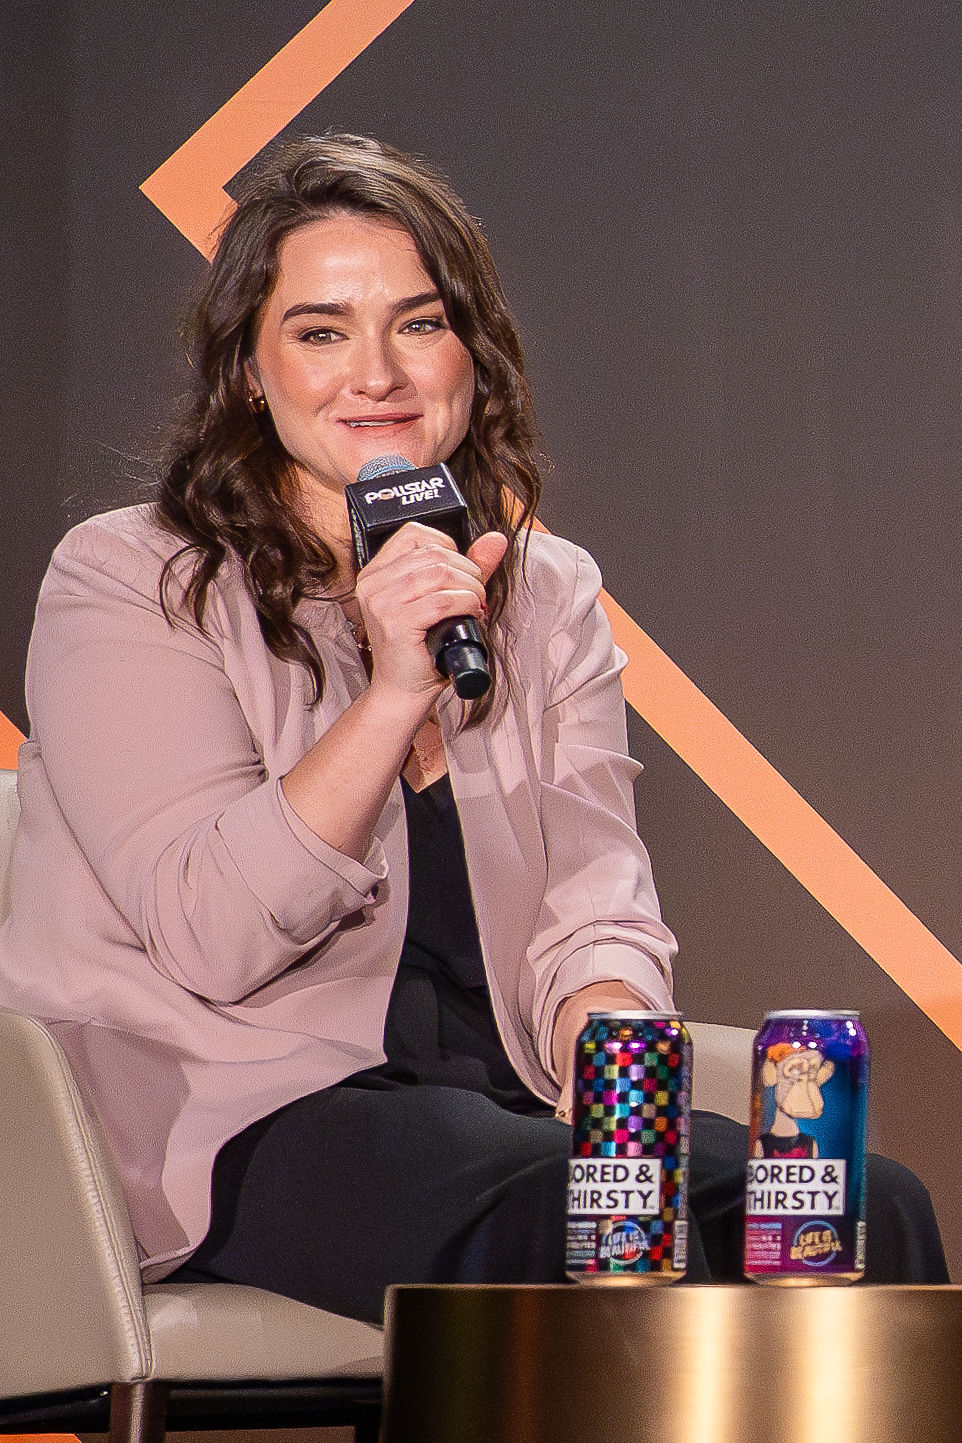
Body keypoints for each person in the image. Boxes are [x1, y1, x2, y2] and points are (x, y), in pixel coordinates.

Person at [0, 134, 946, 1322]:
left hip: (496, 1107)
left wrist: (614, 1077)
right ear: (248, 371)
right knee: (551, 1214)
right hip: (227, 1113)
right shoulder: (135, 579)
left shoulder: (542, 591)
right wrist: (393, 691)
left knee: (858, 1205)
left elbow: (593, 905)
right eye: (320, 332)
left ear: (472, 354)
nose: (375, 374)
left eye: (420, 323)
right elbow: (211, 937)